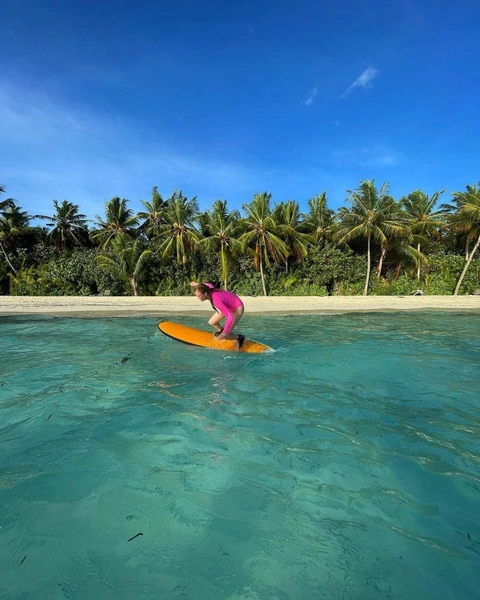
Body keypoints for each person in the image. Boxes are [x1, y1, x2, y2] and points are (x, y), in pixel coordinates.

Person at [190, 281, 245, 348]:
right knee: (212, 322)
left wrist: (224, 334)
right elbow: (208, 284)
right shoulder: (208, 289)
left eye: (199, 296)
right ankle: (222, 331)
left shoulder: (215, 300)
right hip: (227, 306)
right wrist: (197, 284)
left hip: (237, 308)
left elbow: (230, 317)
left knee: (225, 336)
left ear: (205, 293)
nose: (198, 298)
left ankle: (239, 338)